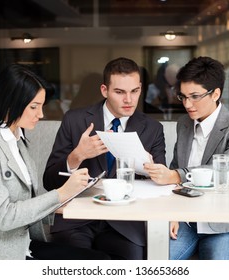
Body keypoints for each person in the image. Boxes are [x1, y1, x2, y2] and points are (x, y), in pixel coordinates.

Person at [0, 64, 110, 260]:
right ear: (10, 102)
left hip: (23, 244)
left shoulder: (17, 139)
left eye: (41, 106)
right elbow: (4, 217)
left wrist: (75, 202)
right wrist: (61, 193)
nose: (40, 114)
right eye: (34, 107)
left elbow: (26, 206)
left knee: (101, 260)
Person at [43, 57, 166, 260]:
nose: (129, 100)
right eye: (120, 92)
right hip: (78, 219)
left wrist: (151, 168)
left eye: (134, 91)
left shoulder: (153, 129)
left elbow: (162, 184)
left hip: (126, 223)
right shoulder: (74, 120)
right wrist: (77, 156)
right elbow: (49, 182)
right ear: (104, 90)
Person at [144, 56, 229, 260]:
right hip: (187, 220)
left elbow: (228, 171)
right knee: (156, 263)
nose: (187, 104)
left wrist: (176, 175)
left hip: (223, 224)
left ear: (215, 94)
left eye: (194, 96)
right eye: (183, 96)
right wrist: (172, 213)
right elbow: (175, 167)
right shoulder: (184, 124)